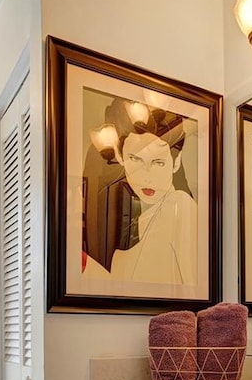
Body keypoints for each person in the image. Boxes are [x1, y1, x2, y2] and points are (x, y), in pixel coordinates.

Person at [83, 99, 197, 286]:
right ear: (121, 159)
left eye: (158, 162)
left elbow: (195, 290)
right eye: (135, 160)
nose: (147, 176)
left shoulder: (180, 205)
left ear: (175, 162)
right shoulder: (140, 225)